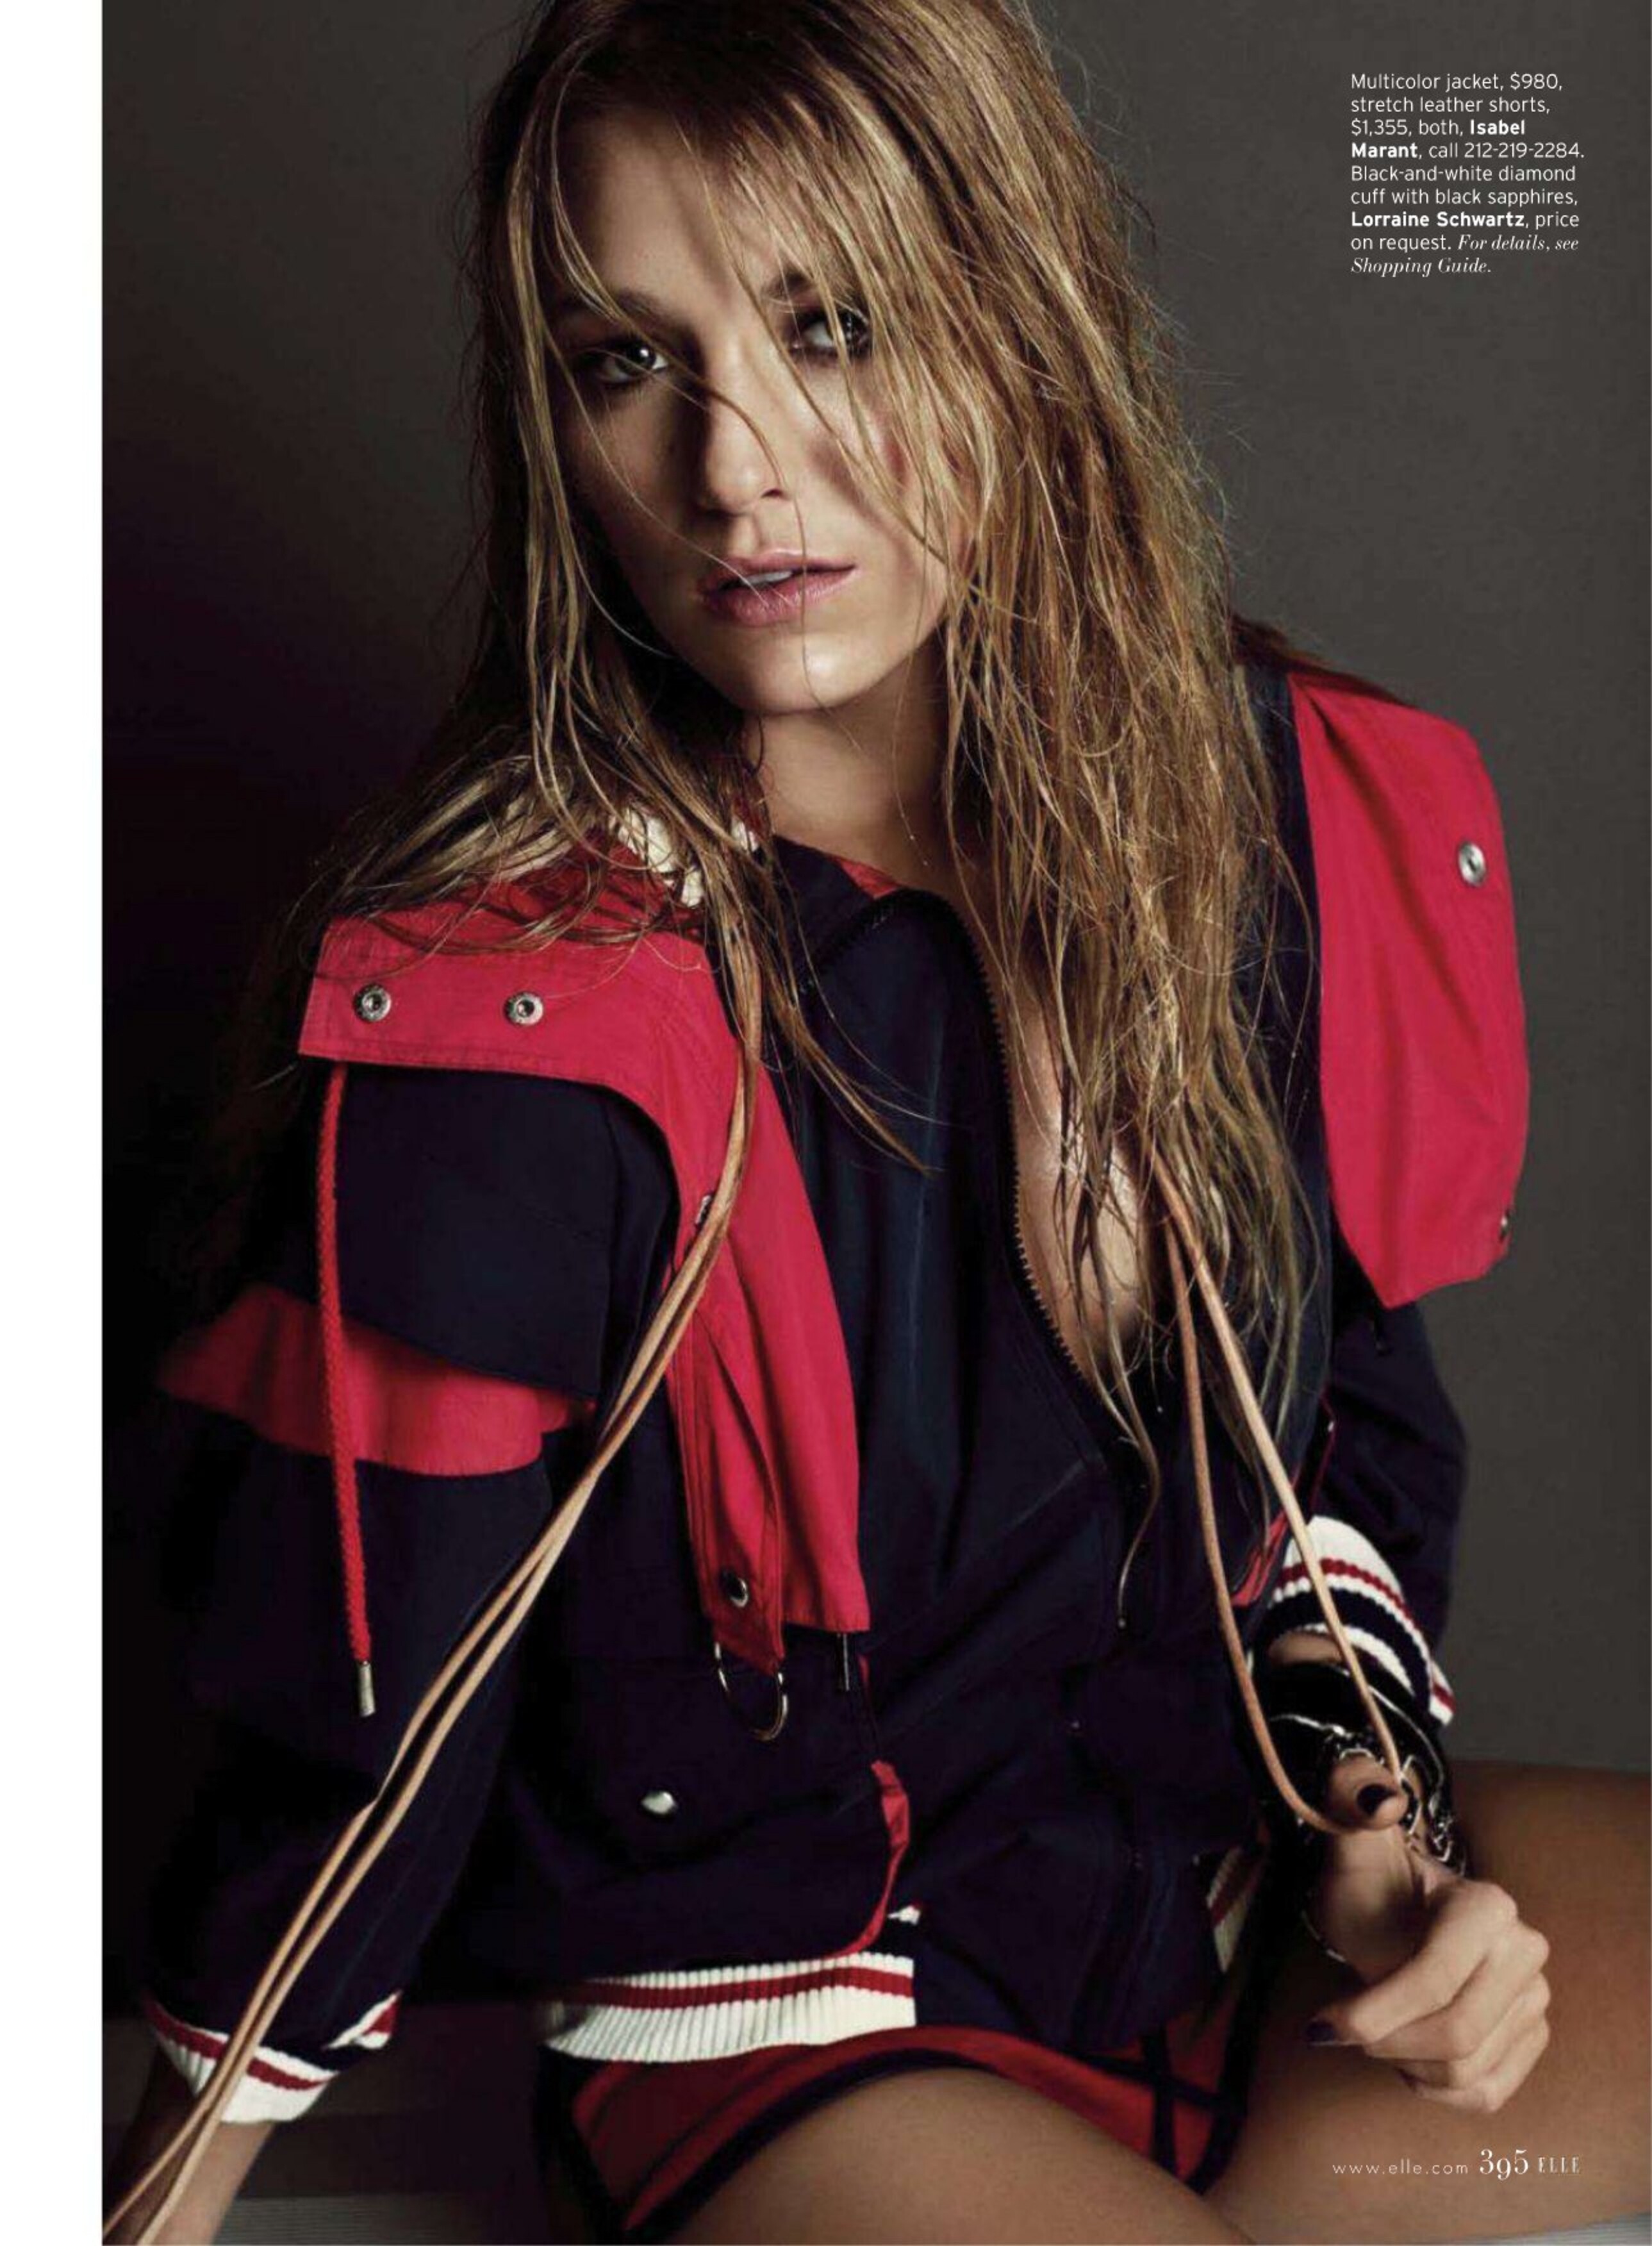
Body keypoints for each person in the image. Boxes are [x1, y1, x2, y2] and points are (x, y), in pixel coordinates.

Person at [104, 3, 1648, 2241]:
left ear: (1016, 314)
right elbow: (374, 1729)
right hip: (793, 2034)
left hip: (1224, 1934)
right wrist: (165, 2193)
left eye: (828, 325)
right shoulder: (522, 1012)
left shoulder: (1274, 822)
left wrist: (1382, 1845)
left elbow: (1338, 1427)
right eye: (626, 361)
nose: (734, 466)